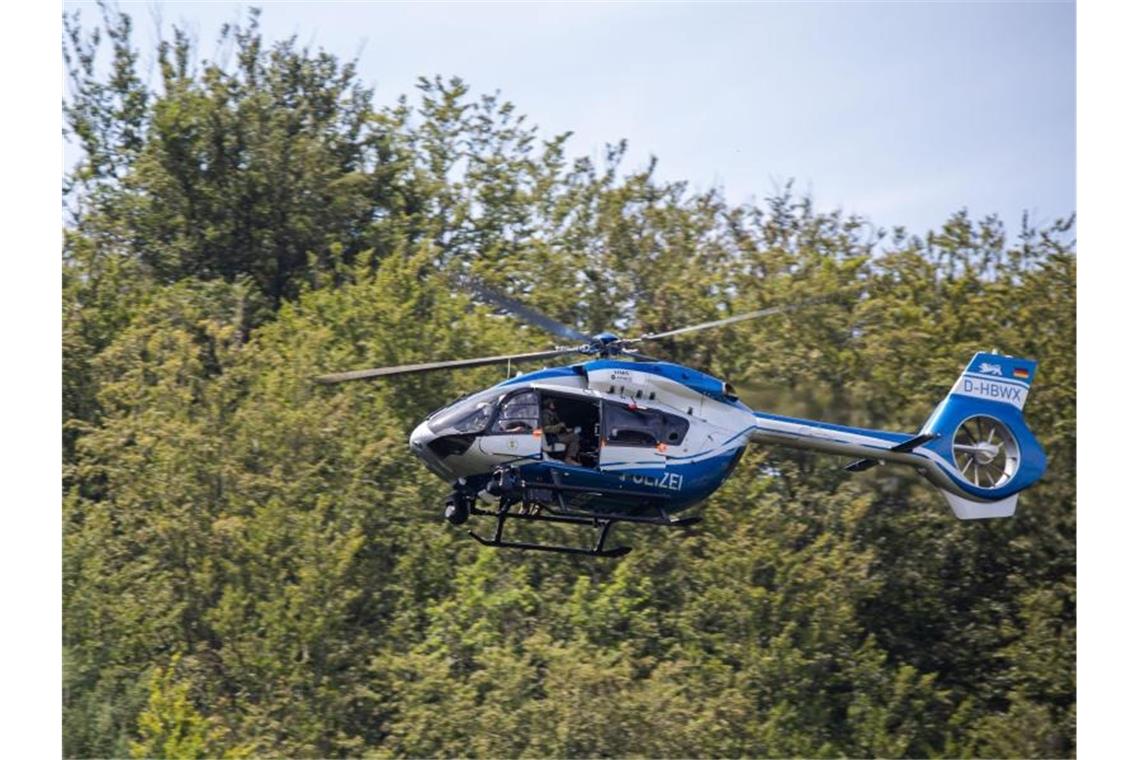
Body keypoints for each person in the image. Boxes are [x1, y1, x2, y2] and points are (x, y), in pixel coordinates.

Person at [541, 399, 581, 466]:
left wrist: (566, 430)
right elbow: (546, 429)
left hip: (556, 436)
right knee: (575, 437)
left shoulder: (552, 413)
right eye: (552, 403)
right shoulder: (545, 414)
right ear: (548, 404)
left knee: (574, 435)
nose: (554, 405)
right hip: (551, 438)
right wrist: (560, 425)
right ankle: (568, 459)